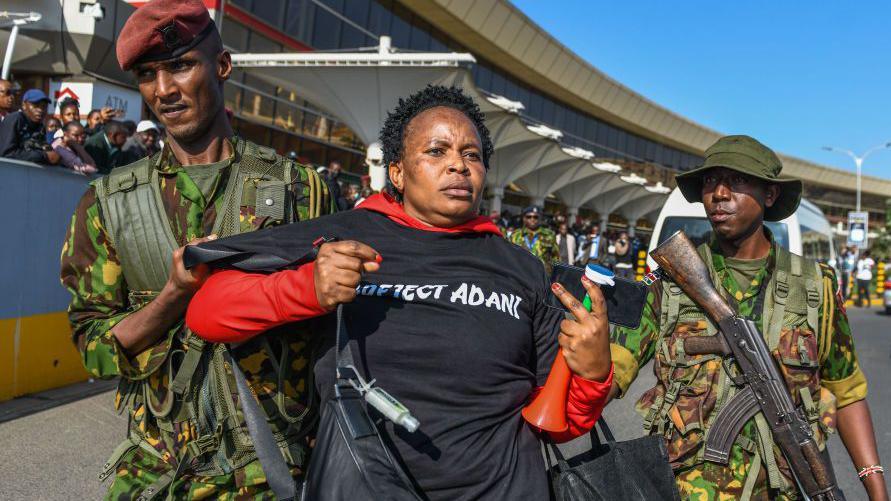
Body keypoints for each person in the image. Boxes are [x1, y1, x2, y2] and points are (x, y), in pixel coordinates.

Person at [185, 85, 613, 500]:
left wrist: (593, 372)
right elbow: (207, 311)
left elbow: (558, 423)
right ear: (397, 172)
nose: (458, 166)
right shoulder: (343, 235)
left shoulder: (523, 269)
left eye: (472, 155)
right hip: (359, 484)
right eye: (436, 151)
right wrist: (306, 288)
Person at [59, 1, 333, 498]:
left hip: (270, 473)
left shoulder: (299, 190)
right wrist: (171, 298)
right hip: (157, 476)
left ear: (222, 66)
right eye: (147, 75)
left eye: (181, 65)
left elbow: (330, 339)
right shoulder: (107, 204)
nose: (163, 91)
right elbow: (94, 350)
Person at [608, 135, 885, 500]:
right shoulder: (670, 280)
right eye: (709, 181)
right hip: (684, 491)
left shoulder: (816, 286)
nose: (718, 193)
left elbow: (847, 392)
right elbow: (611, 373)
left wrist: (876, 487)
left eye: (736, 181)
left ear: (770, 195)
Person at [0, 89, 60, 165]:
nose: (40, 110)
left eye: (43, 106)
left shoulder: (40, 127)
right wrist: (43, 156)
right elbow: (6, 154)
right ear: (24, 105)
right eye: (35, 105)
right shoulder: (15, 119)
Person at [510, 205, 560, 270]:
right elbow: (509, 256)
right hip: (520, 274)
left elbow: (556, 257)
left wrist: (556, 277)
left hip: (542, 276)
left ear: (540, 218)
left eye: (535, 217)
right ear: (524, 218)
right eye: (529, 217)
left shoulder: (549, 235)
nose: (532, 219)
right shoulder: (515, 235)